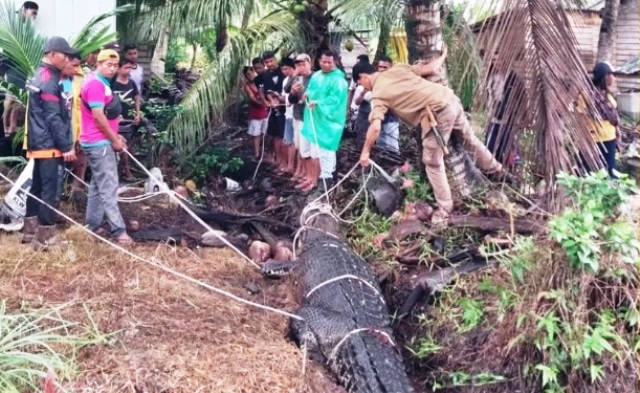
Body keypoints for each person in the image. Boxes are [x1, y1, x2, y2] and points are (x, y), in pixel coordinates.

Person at [356, 47, 511, 223]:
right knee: (470, 140)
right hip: (450, 99)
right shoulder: (397, 69)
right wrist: (444, 54)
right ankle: (498, 171)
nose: (363, 87)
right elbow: (430, 69)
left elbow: (375, 126)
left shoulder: (378, 93)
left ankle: (445, 207)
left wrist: (365, 152)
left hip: (438, 113)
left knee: (432, 161)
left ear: (363, 76)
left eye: (361, 83)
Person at [22, 37, 77, 250]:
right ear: (52, 53)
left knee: (36, 185)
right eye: (65, 55)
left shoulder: (41, 74)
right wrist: (66, 146)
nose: (67, 59)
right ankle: (45, 236)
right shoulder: (49, 80)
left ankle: (30, 230)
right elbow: (53, 117)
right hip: (49, 143)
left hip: (39, 140)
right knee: (49, 188)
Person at [79, 49, 133, 245]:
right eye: (107, 65)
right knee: (109, 187)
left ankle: (92, 225)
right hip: (98, 143)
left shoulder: (101, 83)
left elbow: (104, 120)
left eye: (114, 65)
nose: (111, 69)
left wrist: (115, 134)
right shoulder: (95, 84)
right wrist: (114, 140)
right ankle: (119, 231)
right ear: (98, 64)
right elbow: (98, 117)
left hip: (97, 140)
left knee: (97, 185)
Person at [300, 50, 348, 191]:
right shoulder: (316, 75)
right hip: (314, 120)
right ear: (319, 62)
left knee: (326, 150)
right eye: (324, 62)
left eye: (329, 62)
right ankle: (329, 177)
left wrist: (319, 102)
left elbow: (336, 100)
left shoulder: (339, 80)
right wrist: (306, 96)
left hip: (329, 123)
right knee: (319, 152)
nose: (326, 65)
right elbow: (310, 91)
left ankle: (326, 182)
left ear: (335, 62)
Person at [112, 57, 157, 179]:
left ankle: (125, 171)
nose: (128, 71)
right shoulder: (113, 83)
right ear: (119, 68)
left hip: (130, 119)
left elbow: (136, 98)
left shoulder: (131, 83)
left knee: (127, 147)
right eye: (125, 68)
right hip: (117, 121)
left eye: (130, 68)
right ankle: (125, 172)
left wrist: (137, 113)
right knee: (121, 147)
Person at [2, 1, 39, 137]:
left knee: (18, 96)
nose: (34, 17)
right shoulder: (13, 22)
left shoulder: (27, 27)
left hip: (21, 65)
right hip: (11, 63)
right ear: (25, 9)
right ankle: (4, 124)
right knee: (11, 96)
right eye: (33, 13)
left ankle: (12, 125)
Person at [579, 62, 620, 178]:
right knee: (591, 173)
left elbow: (613, 116)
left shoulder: (608, 95)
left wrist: (617, 132)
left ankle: (611, 195)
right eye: (612, 74)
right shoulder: (586, 95)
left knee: (611, 172)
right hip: (594, 140)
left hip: (609, 138)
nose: (614, 78)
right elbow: (581, 118)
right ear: (605, 76)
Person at [285, 53, 313, 186]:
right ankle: (300, 171)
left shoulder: (315, 78)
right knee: (298, 146)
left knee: (305, 148)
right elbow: (289, 95)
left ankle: (306, 174)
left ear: (310, 63)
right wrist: (293, 92)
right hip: (297, 115)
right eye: (298, 65)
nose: (301, 67)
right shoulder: (297, 79)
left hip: (308, 118)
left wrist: (305, 97)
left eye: (303, 64)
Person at [260, 51, 286, 168]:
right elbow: (267, 91)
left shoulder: (282, 71)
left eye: (271, 61)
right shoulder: (266, 75)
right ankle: (277, 159)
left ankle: (284, 162)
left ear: (275, 59)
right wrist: (271, 101)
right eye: (266, 62)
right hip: (273, 108)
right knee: (274, 134)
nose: (269, 64)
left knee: (283, 135)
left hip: (285, 108)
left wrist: (279, 101)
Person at [243, 66, 269, 159]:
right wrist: (263, 104)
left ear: (254, 72)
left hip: (265, 111)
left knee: (266, 133)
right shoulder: (247, 85)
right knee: (256, 134)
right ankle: (257, 153)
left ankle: (265, 151)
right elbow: (252, 98)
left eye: (251, 73)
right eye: (247, 75)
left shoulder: (261, 81)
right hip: (255, 113)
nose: (249, 76)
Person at [376, 56, 400, 153]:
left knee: (393, 148)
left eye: (384, 67)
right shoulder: (377, 80)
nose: (381, 69)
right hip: (379, 119)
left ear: (391, 68)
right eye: (380, 67)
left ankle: (401, 168)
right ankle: (385, 168)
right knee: (381, 148)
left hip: (391, 119)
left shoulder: (395, 82)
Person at [279, 57, 296, 174]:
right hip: (288, 114)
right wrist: (276, 98)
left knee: (295, 143)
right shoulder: (285, 81)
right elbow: (284, 98)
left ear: (292, 67)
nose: (285, 72)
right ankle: (289, 165)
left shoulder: (297, 80)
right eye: (283, 69)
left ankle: (293, 166)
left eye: (287, 69)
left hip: (297, 115)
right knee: (288, 141)